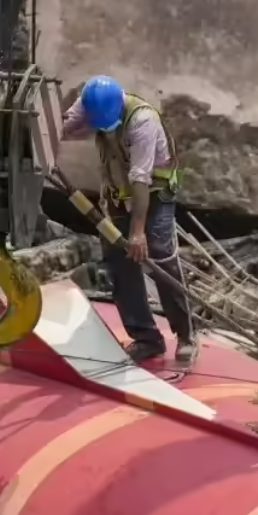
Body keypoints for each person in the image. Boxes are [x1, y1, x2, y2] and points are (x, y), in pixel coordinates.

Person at [61, 75, 196, 364]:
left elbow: (140, 178)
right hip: (118, 194)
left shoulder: (143, 121)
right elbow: (62, 127)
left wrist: (137, 232)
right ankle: (146, 338)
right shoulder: (89, 102)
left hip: (154, 193)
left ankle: (185, 335)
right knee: (118, 260)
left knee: (160, 257)